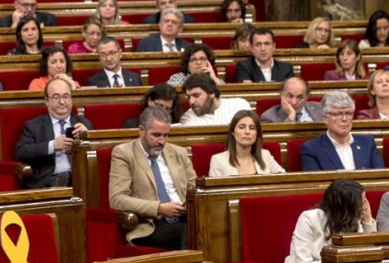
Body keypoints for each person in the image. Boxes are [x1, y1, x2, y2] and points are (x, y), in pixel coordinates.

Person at [109, 106, 196, 250]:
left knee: (212, 227)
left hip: (183, 218)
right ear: (141, 130)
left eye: (166, 135)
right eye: (156, 135)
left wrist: (188, 205)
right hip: (151, 225)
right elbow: (117, 199)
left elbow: (194, 190)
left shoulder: (179, 153)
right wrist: (159, 208)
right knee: (191, 232)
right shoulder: (124, 154)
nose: (161, 141)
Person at [281, 179, 375, 263]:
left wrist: (368, 219)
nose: (364, 205)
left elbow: (370, 254)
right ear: (346, 205)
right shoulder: (309, 218)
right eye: (361, 202)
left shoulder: (352, 220)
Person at [14, 77, 92, 188]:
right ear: (47, 101)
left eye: (66, 96)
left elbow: (99, 153)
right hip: (48, 183)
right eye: (56, 97)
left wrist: (88, 137)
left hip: (81, 182)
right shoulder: (34, 126)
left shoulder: (84, 124)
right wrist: (52, 145)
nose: (62, 102)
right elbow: (20, 152)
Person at [300, 90, 384, 171]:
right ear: (325, 118)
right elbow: (315, 184)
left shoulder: (367, 143)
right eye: (338, 114)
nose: (344, 119)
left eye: (348, 113)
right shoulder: (312, 149)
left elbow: (380, 177)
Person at [209, 110, 285, 176]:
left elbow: (283, 179)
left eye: (252, 128)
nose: (247, 132)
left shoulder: (265, 156)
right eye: (242, 127)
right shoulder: (218, 160)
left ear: (257, 133)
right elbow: (214, 192)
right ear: (233, 132)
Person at [180, 73, 250, 126]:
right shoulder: (188, 118)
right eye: (189, 97)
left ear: (211, 93)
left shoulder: (239, 106)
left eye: (196, 95)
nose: (191, 102)